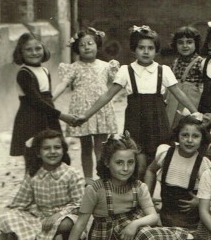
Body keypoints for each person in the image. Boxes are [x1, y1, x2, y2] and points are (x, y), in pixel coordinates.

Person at [78, 25, 202, 180]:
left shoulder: (163, 70)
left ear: (156, 50)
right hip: (136, 122)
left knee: (161, 161)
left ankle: (155, 198)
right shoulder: (126, 70)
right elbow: (107, 95)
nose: (145, 51)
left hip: (158, 122)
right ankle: (138, 198)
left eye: (150, 48)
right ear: (134, 49)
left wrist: (196, 113)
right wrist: (86, 115)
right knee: (139, 164)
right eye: (141, 47)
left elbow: (179, 94)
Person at [51, 132, 188, 240]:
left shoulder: (139, 187)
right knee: (148, 237)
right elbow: (80, 223)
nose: (125, 168)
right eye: (119, 163)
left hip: (132, 230)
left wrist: (134, 225)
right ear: (107, 162)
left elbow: (152, 216)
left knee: (150, 233)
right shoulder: (95, 189)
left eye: (130, 162)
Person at [0, 129, 86, 240]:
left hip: (64, 216)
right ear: (38, 153)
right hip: (40, 219)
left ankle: (52, 236)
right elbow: (20, 203)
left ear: (63, 150)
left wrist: (57, 215)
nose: (52, 152)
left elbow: (79, 204)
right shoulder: (33, 174)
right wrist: (5, 229)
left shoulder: (72, 174)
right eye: (46, 148)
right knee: (7, 216)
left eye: (57, 147)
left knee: (67, 224)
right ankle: (53, 238)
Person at [53, 27, 120, 178]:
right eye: (82, 45)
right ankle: (88, 179)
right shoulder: (74, 67)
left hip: (100, 109)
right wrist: (51, 99)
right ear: (77, 49)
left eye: (90, 43)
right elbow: (63, 84)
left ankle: (103, 178)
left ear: (97, 44)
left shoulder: (106, 66)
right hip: (81, 110)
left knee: (101, 147)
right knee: (85, 146)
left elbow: (118, 84)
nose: (87, 47)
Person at [9, 32, 75, 159]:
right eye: (29, 50)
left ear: (44, 49)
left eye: (38, 48)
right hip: (30, 119)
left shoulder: (45, 71)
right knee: (33, 155)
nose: (34, 53)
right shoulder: (24, 73)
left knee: (53, 153)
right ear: (20, 53)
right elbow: (36, 101)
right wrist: (62, 116)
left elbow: (47, 98)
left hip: (48, 117)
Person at [144, 115, 211, 232]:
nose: (189, 140)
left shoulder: (203, 164)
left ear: (202, 139)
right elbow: (150, 170)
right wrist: (147, 198)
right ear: (177, 136)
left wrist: (200, 201)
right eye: (185, 135)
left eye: (195, 136)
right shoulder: (165, 154)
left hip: (191, 222)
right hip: (166, 217)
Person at [165, 25, 205, 130]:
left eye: (189, 42)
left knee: (188, 127)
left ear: (196, 43)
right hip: (173, 102)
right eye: (180, 42)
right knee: (171, 126)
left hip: (191, 102)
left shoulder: (201, 62)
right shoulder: (175, 62)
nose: (185, 45)